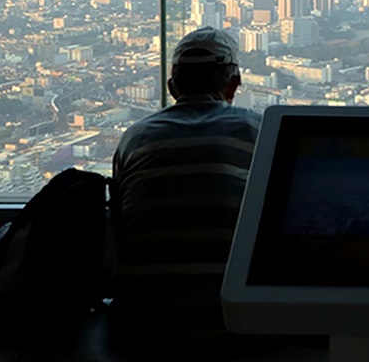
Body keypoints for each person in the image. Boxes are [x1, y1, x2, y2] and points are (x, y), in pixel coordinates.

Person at [109, 26, 259, 351]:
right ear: (234, 83)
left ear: (172, 86)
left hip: (142, 330)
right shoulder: (256, 130)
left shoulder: (135, 138)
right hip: (235, 329)